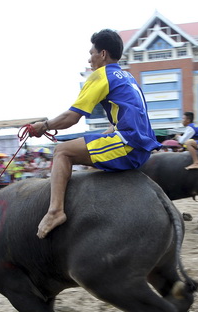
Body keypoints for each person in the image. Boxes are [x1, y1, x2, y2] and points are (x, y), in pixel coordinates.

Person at [27, 29, 160, 238]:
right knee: (89, 151)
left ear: (103, 54)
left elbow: (71, 117)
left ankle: (55, 211)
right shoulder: (127, 77)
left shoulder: (101, 76)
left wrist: (44, 125)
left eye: (91, 53)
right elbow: (121, 121)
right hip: (141, 144)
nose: (90, 59)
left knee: (62, 151)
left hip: (129, 144)